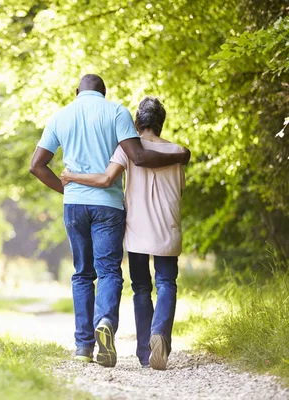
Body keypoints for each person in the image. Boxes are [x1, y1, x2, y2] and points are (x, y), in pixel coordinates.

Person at [29, 75, 190, 368]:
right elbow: (153, 169)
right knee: (124, 275)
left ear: (77, 92)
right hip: (126, 213)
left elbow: (39, 166)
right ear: (104, 93)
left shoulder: (63, 118)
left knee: (88, 275)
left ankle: (88, 347)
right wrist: (182, 153)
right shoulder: (120, 115)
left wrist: (68, 184)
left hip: (91, 210)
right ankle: (128, 327)